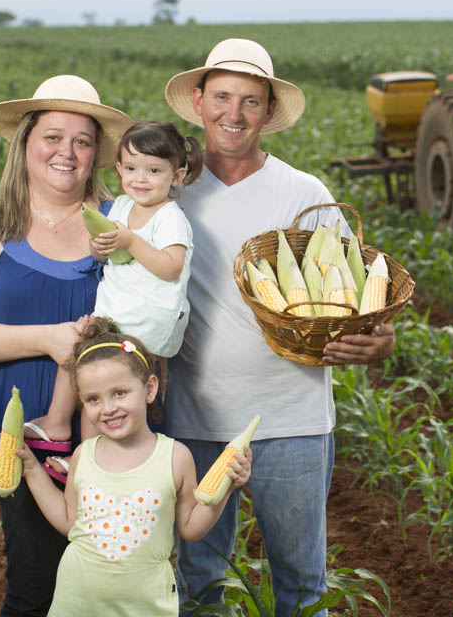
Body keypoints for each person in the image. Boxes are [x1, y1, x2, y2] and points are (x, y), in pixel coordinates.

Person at [162, 38, 397, 616]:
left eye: (249, 101)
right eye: (221, 97)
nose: (233, 115)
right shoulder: (168, 190)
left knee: (301, 588)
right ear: (197, 101)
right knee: (198, 586)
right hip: (194, 421)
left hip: (291, 419)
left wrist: (381, 338)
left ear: (268, 111)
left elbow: (351, 294)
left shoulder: (305, 194)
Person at [0, 74, 133, 617]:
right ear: (25, 142)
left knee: (108, 587)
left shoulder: (119, 224)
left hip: (112, 427)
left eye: (82, 141)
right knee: (34, 585)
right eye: (53, 136)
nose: (66, 152)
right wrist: (50, 340)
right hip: (25, 432)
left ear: (96, 154)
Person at [13, 317, 251, 617]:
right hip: (77, 603)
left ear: (150, 389)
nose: (108, 408)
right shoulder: (84, 455)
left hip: (146, 607)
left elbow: (190, 528)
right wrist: (32, 470)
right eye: (92, 399)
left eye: (120, 393)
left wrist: (228, 484)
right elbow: (70, 523)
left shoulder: (175, 457)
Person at [26, 120, 204, 452]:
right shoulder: (122, 206)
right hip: (117, 313)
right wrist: (102, 247)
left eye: (154, 170)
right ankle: (64, 431)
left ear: (176, 176)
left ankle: (89, 449)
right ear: (119, 168)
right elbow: (109, 253)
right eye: (132, 168)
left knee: (107, 383)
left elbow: (171, 267)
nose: (141, 178)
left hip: (144, 322)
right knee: (84, 361)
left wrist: (131, 240)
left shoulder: (170, 217)